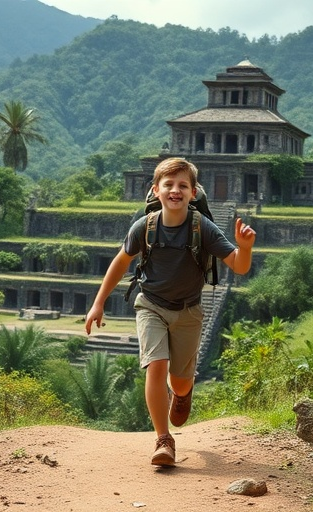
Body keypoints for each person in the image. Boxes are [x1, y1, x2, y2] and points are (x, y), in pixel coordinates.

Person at [85, 157, 256, 467]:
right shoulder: (145, 226)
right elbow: (121, 262)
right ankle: (164, 440)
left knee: (179, 381)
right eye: (169, 185)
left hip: (188, 312)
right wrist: (98, 303)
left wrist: (244, 247)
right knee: (156, 365)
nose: (175, 190)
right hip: (150, 305)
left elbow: (239, 266)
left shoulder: (202, 227)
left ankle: (183, 392)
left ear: (193, 193)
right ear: (156, 190)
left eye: (183, 186)